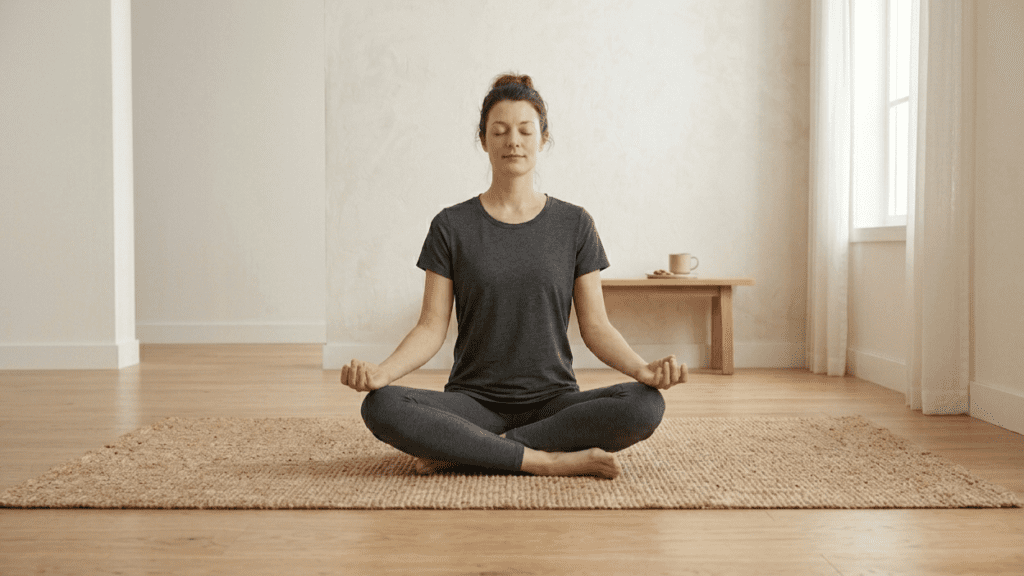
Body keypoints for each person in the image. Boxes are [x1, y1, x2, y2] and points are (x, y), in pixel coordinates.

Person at [340, 74, 686, 480]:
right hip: (473, 403)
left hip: (553, 403)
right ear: (483, 140)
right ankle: (545, 460)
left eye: (525, 130)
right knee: (381, 406)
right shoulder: (450, 225)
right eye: (499, 131)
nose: (513, 141)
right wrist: (383, 373)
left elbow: (596, 327)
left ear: (543, 138)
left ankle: (468, 450)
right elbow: (431, 328)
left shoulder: (575, 224)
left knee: (645, 404)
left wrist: (642, 371)